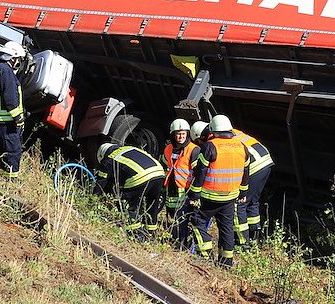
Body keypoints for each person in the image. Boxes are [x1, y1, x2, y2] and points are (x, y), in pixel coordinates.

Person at [187, 114, 249, 268]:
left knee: (197, 222)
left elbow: (201, 171)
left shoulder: (210, 146)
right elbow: (246, 171)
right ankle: (226, 263)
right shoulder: (241, 146)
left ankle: (205, 257)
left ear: (212, 130)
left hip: (210, 197)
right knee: (227, 229)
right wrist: (243, 192)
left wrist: (194, 194)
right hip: (230, 197)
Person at [95, 142, 165, 241]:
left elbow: (101, 182)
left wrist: (93, 198)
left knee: (128, 205)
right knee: (152, 206)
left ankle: (136, 234)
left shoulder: (109, 158)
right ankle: (151, 233)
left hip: (140, 177)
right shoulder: (130, 148)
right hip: (159, 173)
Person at [0, 41, 27, 179]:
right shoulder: (6, 71)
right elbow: (10, 99)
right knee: (13, 152)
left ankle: (3, 179)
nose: (18, 62)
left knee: (3, 151)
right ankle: (10, 182)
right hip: (7, 120)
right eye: (18, 59)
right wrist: (18, 118)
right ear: (12, 57)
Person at [161, 118, 200, 248]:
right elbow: (165, 163)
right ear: (173, 135)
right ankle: (175, 237)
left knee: (183, 217)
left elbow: (197, 173)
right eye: (178, 134)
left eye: (183, 134)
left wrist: (195, 192)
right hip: (171, 187)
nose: (181, 137)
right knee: (172, 214)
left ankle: (183, 242)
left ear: (187, 134)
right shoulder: (168, 148)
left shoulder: (194, 150)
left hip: (185, 189)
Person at [233, 128, 274, 249]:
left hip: (254, 166)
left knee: (239, 204)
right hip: (266, 161)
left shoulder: (217, 140)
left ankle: (242, 243)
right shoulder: (233, 131)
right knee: (252, 202)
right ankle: (254, 237)